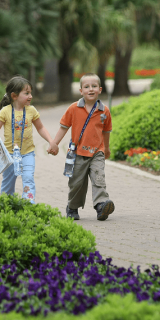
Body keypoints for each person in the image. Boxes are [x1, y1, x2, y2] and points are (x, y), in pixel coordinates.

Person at [49, 73, 115, 221]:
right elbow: (64, 127)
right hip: (77, 152)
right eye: (86, 87)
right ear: (81, 91)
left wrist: (107, 148)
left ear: (100, 89)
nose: (90, 89)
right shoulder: (73, 108)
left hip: (97, 152)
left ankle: (101, 205)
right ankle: (72, 207)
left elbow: (106, 132)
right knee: (76, 183)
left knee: (99, 178)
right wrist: (54, 143)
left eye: (94, 86)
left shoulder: (104, 111)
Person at [0, 76, 55, 203]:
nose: (30, 96)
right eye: (27, 93)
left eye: (30, 93)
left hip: (27, 153)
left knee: (28, 178)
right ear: (14, 96)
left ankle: (28, 205)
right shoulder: (5, 111)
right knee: (8, 183)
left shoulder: (32, 111)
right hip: (9, 155)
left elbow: (40, 128)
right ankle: (6, 205)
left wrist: (51, 141)